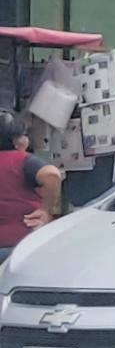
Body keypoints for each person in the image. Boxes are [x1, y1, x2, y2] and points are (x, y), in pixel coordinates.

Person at [0, 110, 62, 257]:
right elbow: (52, 175)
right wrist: (46, 210)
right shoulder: (22, 161)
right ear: (17, 141)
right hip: (21, 245)